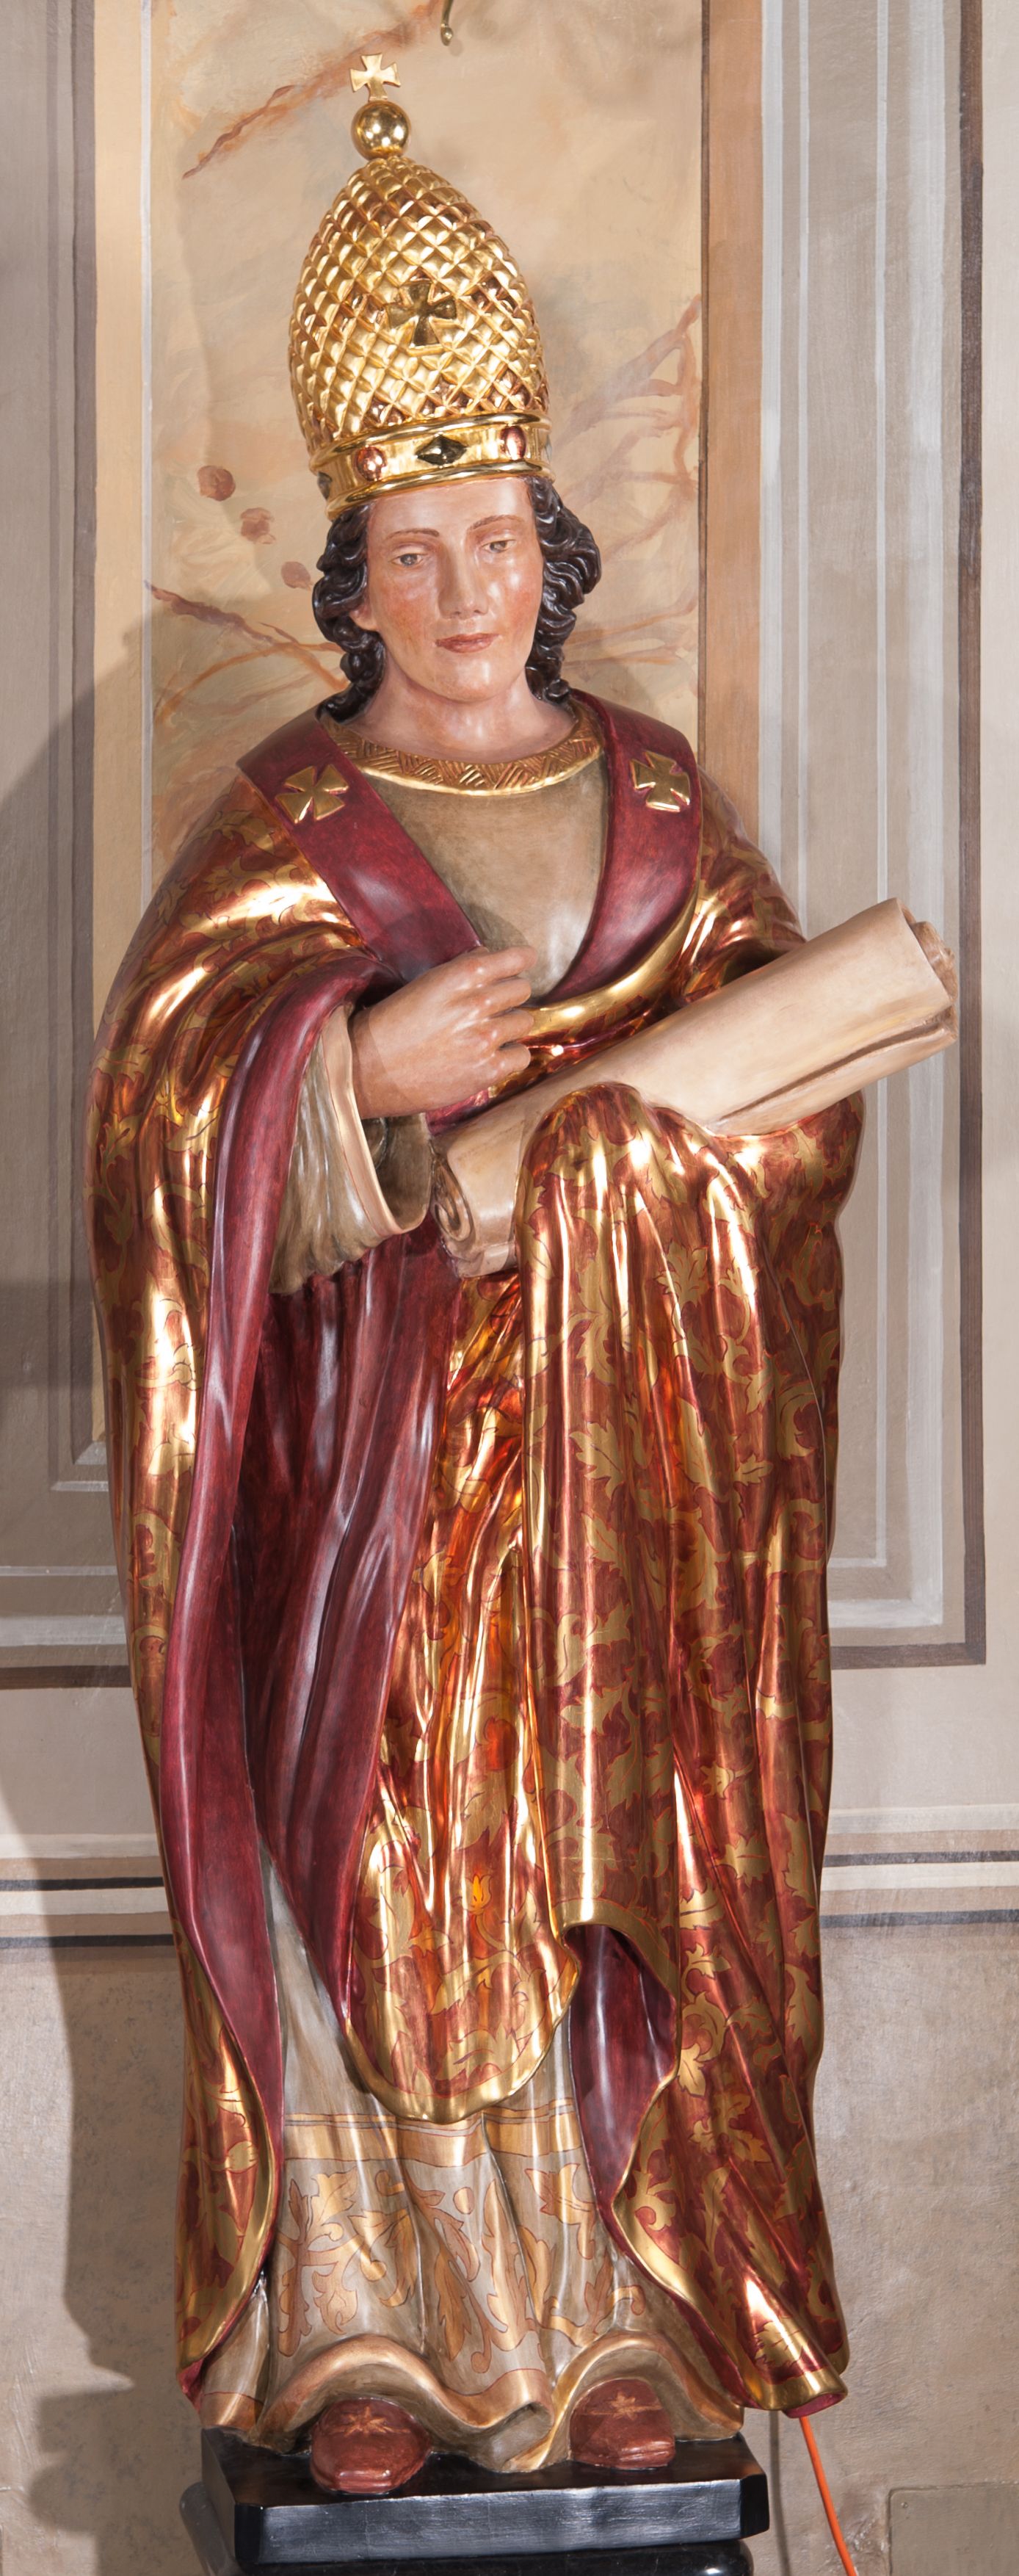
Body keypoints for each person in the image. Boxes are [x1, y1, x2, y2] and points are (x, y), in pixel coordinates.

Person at [86, 61, 860, 2498]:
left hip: (614, 1473)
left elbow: (792, 1109)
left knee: (586, 1867)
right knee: (384, 1870)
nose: (460, 590)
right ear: (350, 574)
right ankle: (365, 2332)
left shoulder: (657, 802)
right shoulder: (289, 818)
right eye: (412, 550)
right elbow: (154, 1119)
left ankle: (610, 2318)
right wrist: (350, 1080)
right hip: (378, 1480)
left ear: (552, 543)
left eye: (495, 537)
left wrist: (656, 1160)